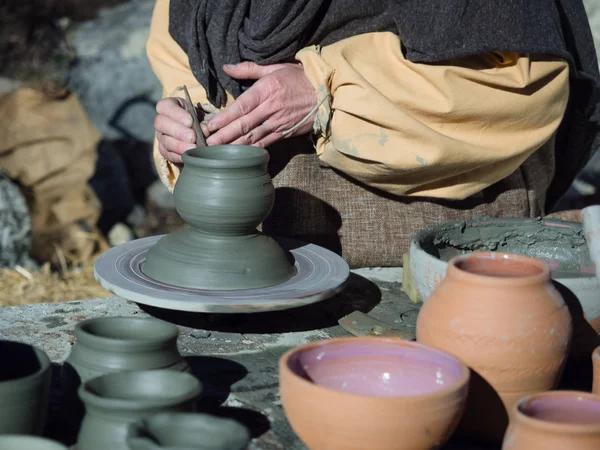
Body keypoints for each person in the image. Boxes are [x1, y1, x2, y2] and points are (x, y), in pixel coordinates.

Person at [147, 0, 600, 268]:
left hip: (424, 250)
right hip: (244, 257)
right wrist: (186, 119)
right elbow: (182, 49)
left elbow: (522, 87)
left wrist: (327, 94)